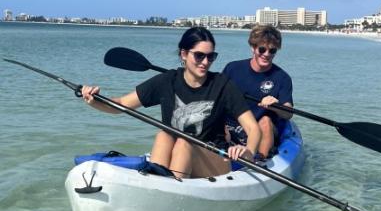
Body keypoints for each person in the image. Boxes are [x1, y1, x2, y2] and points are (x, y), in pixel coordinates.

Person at [81, 27, 261, 179]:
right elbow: (121, 104)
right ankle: (159, 183)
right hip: (177, 157)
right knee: (164, 135)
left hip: (215, 162)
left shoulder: (222, 85)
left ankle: (171, 189)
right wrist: (93, 100)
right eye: (199, 56)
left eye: (210, 56)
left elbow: (253, 128)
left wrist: (248, 151)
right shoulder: (167, 81)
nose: (205, 62)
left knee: (183, 143)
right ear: (184, 53)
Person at [223, 25, 293, 159]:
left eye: (272, 50)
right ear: (253, 48)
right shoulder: (232, 68)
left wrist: (276, 106)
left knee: (265, 121)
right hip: (232, 125)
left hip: (260, 130)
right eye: (262, 49)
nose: (266, 54)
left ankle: (260, 159)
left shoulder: (283, 78)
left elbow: (288, 113)